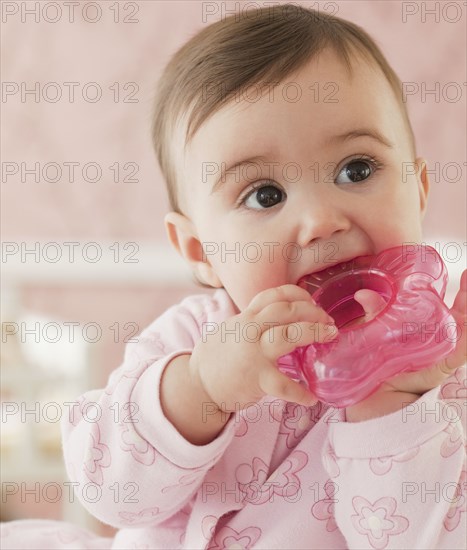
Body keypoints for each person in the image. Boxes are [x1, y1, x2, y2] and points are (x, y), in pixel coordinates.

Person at [1, 4, 465, 549]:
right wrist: (200, 390)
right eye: (264, 195)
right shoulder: (192, 339)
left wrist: (394, 403)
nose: (320, 221)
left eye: (356, 169)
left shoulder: (441, 366)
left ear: (418, 190)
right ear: (201, 250)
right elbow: (107, 494)